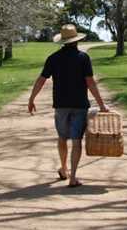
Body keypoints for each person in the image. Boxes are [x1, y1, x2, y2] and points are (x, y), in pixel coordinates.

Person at [27, 24, 108, 188]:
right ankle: (73, 177)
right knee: (76, 141)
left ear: (63, 41)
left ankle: (64, 169)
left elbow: (41, 79)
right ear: (77, 40)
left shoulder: (53, 58)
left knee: (62, 138)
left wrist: (31, 99)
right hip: (79, 105)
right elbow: (90, 83)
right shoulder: (83, 58)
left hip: (61, 105)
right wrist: (102, 105)